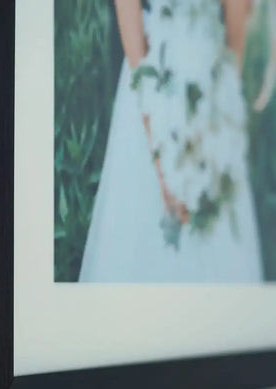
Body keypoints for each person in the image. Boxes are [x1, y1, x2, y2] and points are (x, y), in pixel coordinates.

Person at [79, 0, 263, 282]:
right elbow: (129, 18)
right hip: (148, 87)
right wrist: (161, 159)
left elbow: (236, 28)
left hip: (213, 94)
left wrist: (219, 127)